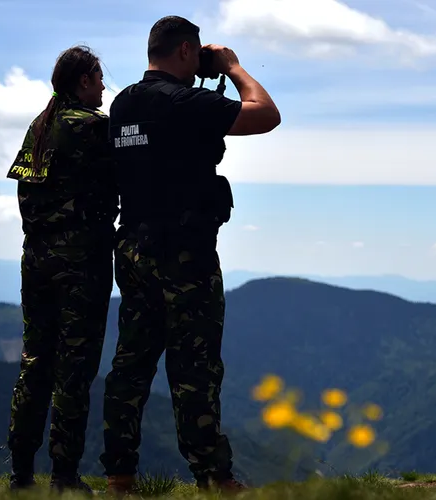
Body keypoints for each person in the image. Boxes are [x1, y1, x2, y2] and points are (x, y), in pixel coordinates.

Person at [99, 15, 280, 495]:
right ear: (185, 51)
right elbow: (265, 114)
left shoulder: (123, 104)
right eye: (195, 53)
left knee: (131, 362)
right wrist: (234, 67)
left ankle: (119, 473)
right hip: (185, 254)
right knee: (194, 367)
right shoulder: (184, 102)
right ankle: (213, 477)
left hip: (133, 248)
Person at [5, 45, 119, 493]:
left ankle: (20, 473)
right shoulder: (93, 128)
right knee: (74, 368)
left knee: (35, 363)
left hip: (35, 261)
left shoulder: (39, 126)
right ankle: (65, 476)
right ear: (83, 82)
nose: (104, 86)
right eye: (98, 77)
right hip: (81, 265)